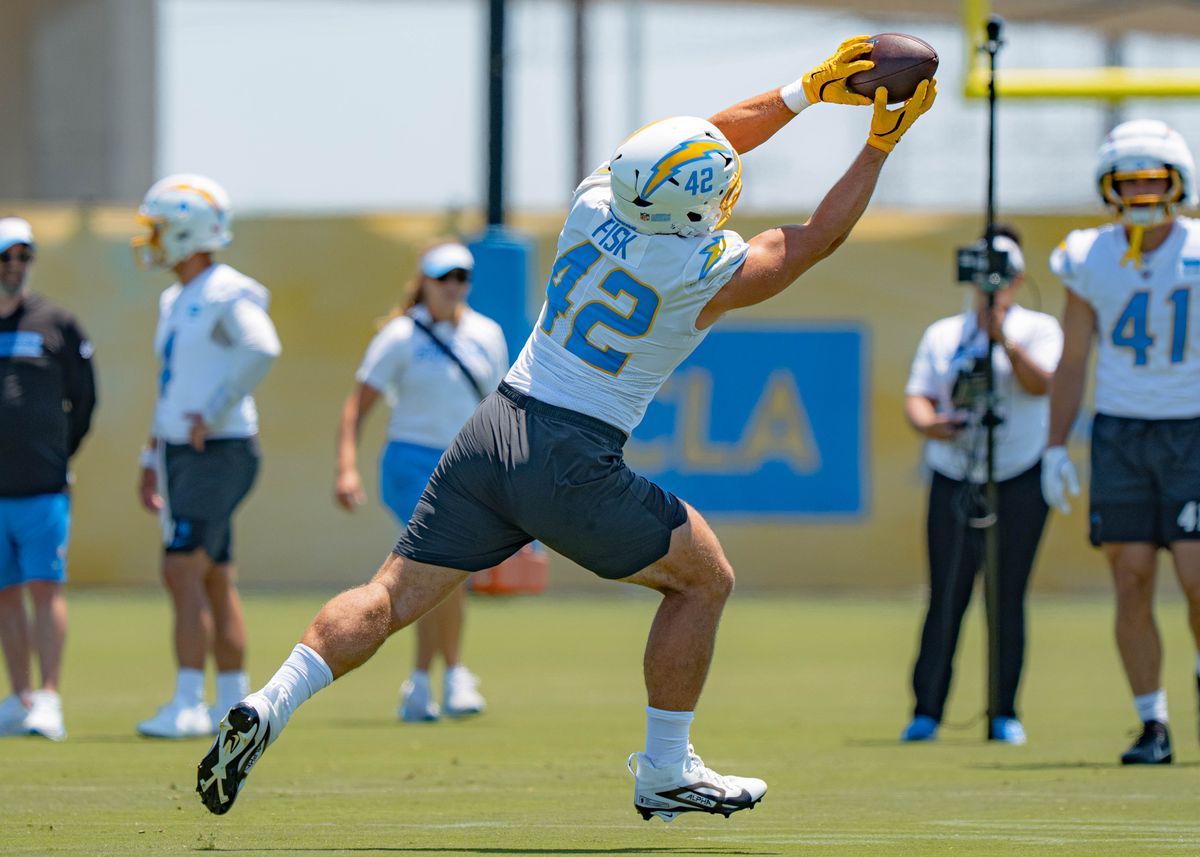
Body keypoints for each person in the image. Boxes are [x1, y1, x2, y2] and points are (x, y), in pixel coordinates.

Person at [197, 37, 937, 820]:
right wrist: (878, 146)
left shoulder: (592, 205)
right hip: (571, 451)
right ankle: (663, 767)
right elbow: (814, 237)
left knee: (388, 593)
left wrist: (805, 91)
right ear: (694, 209)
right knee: (705, 578)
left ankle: (272, 701)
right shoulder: (699, 271)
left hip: (495, 427)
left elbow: (701, 141)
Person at [1042, 119, 1200, 765]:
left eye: (1152, 178)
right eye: (1129, 179)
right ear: (1110, 185)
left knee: (1197, 579)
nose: (1140, 190)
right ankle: (1152, 721)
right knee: (1131, 578)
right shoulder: (1088, 253)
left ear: (1176, 181)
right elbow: (1073, 357)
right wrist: (1055, 445)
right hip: (1121, 430)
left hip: (1193, 426)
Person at [131, 175, 282, 739]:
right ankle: (234, 702)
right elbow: (173, 383)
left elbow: (262, 347)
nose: (151, 239)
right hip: (185, 453)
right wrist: (152, 450)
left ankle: (189, 703)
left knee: (181, 568)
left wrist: (214, 410)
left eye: (161, 228)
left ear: (189, 231)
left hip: (217, 450)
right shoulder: (177, 297)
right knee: (214, 575)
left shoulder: (226, 291)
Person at [899, 226, 1062, 746]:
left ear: (1018, 280)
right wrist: (931, 425)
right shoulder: (943, 334)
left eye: (1004, 277)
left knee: (1005, 597)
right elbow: (919, 397)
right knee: (946, 594)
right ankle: (927, 710)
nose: (994, 287)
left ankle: (1003, 712)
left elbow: (1042, 384)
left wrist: (1003, 339)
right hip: (953, 473)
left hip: (1018, 473)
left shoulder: (1039, 328)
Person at [334, 241, 508, 722]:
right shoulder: (400, 336)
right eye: (442, 278)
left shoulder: (487, 334)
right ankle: (454, 677)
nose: (452, 287)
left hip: (467, 462)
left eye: (460, 278)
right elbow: (358, 406)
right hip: (411, 462)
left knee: (438, 575)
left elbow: (499, 406)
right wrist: (346, 465)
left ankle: (418, 683)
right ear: (425, 282)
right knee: (445, 567)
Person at [0, 217, 96, 741]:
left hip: (42, 486)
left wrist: (61, 452)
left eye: (23, 256)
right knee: (5, 594)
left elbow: (85, 400)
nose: (14, 267)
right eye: (4, 257)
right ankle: (19, 697)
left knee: (44, 588)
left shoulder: (56, 322)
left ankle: (50, 698)